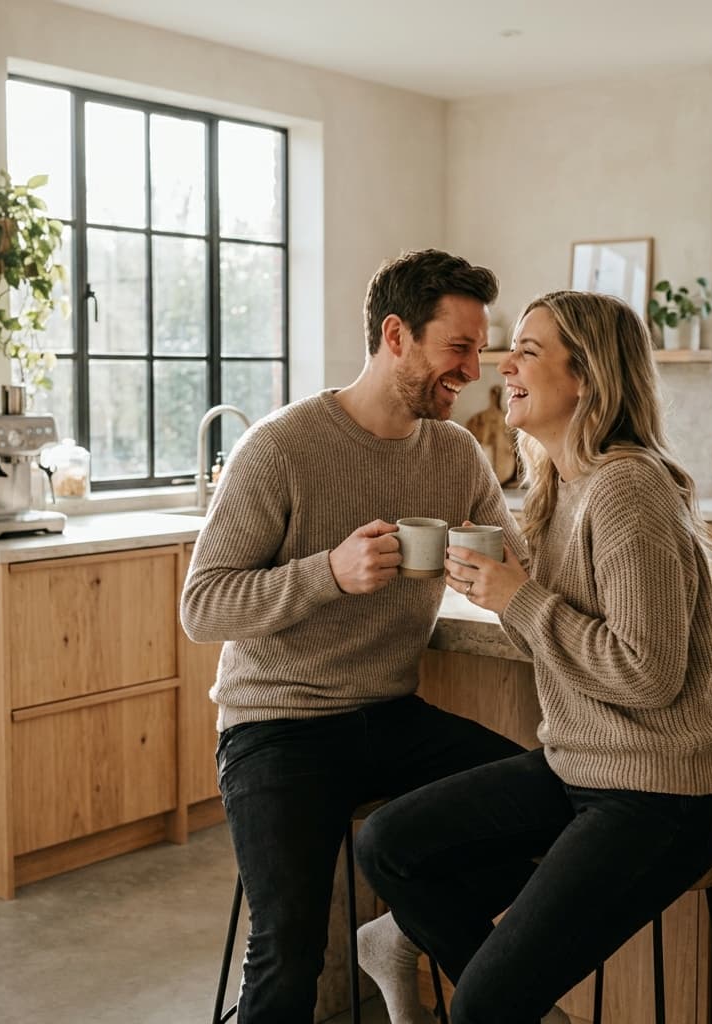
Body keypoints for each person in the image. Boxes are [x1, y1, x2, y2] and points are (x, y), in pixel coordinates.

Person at [354, 290, 712, 1024]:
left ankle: (497, 1004)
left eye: (528, 350)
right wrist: (502, 595)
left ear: (587, 376)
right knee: (389, 844)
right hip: (578, 768)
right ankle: (496, 999)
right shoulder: (562, 486)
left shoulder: (627, 488)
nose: (505, 366)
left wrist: (520, 598)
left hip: (659, 796)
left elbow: (648, 674)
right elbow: (567, 645)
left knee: (482, 1006)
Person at [180, 249, 532, 1023]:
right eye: (460, 348)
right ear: (397, 335)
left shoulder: (454, 452)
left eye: (481, 350)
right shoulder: (280, 447)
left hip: (391, 716)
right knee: (289, 951)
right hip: (277, 728)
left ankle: (403, 938)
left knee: (560, 805)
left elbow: (518, 561)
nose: (473, 369)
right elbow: (202, 607)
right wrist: (327, 574)